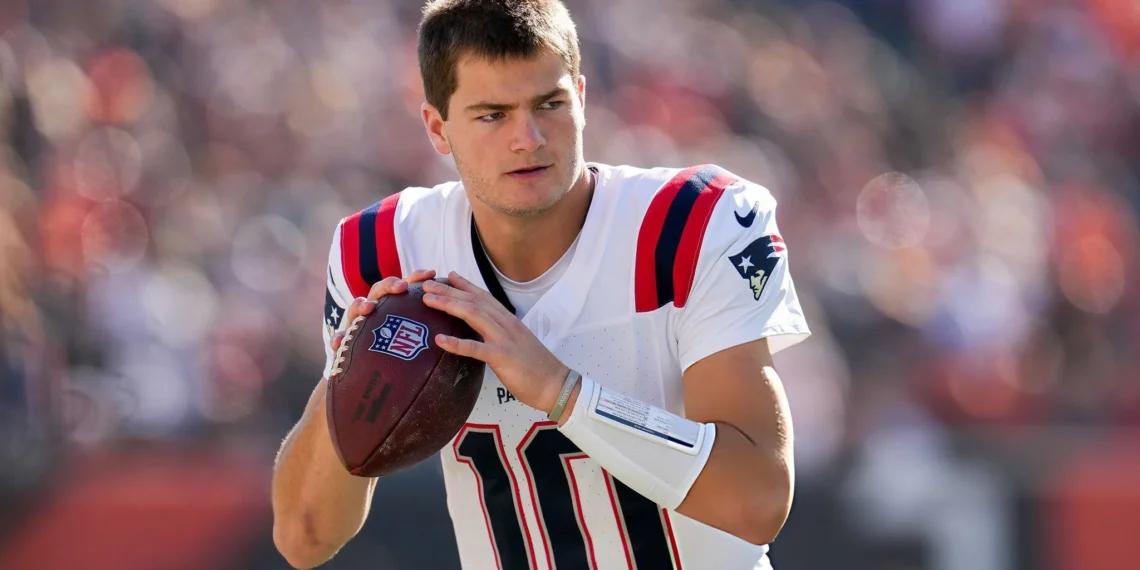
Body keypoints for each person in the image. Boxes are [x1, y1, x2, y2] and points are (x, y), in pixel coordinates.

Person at [271, 1, 810, 568]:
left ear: (582, 97)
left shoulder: (688, 223)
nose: (527, 138)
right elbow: (303, 537)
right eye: (491, 115)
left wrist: (563, 392)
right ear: (437, 128)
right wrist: (350, 380)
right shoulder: (388, 250)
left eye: (548, 104)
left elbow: (759, 498)